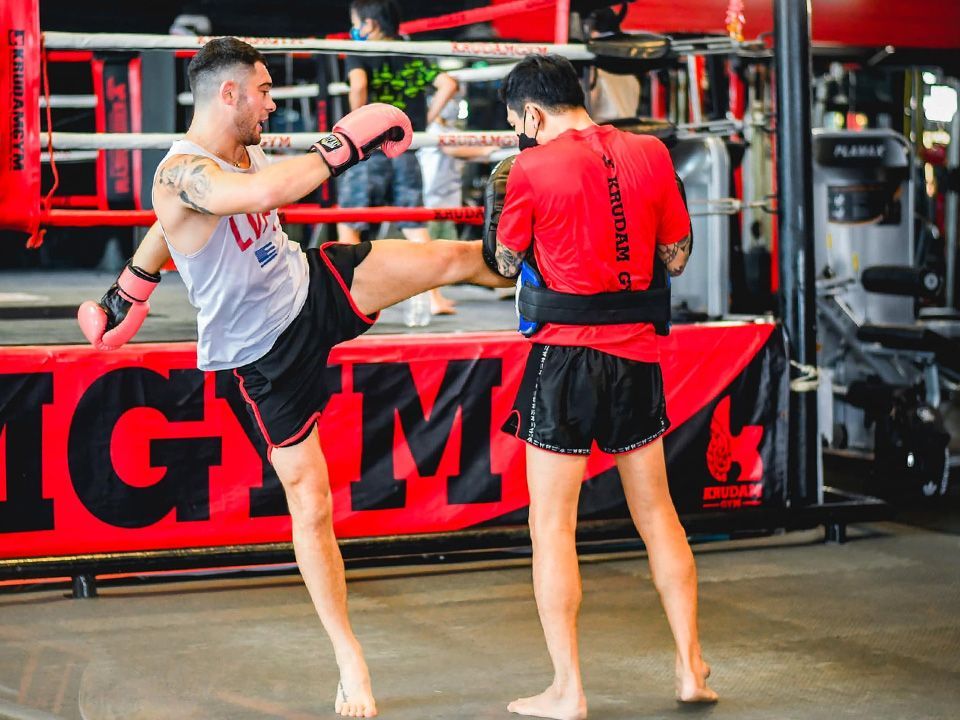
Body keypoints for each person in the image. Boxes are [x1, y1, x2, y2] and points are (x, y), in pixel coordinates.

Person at [77, 37, 509, 719]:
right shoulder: (183, 172)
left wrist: (131, 284)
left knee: (456, 259)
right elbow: (252, 193)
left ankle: (566, 274)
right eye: (264, 90)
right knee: (311, 504)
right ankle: (348, 657)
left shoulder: (235, 150)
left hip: (312, 285)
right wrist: (343, 145)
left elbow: (173, 225)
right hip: (265, 357)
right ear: (229, 94)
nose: (273, 104)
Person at [483, 54, 716, 719]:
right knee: (658, 514)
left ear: (532, 114)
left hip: (564, 362)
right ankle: (690, 667)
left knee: (552, 524)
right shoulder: (651, 152)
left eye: (518, 122)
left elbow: (505, 263)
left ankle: (568, 690)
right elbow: (676, 257)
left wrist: (506, 204)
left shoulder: (528, 168)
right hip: (636, 359)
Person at [339, 0, 460, 315]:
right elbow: (448, 83)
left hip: (369, 148)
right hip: (406, 147)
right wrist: (422, 122)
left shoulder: (361, 51)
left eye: (357, 22)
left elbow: (359, 85)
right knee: (413, 222)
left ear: (369, 24)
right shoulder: (410, 52)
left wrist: (356, 127)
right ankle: (434, 298)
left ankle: (345, 296)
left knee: (350, 219)